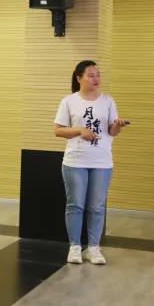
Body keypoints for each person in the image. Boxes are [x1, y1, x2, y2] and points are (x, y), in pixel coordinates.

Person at [53, 60, 129, 266]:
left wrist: (118, 125)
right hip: (75, 161)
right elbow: (58, 130)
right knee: (75, 204)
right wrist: (80, 130)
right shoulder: (69, 101)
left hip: (102, 161)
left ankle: (94, 248)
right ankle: (75, 247)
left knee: (96, 206)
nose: (96, 79)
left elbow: (112, 131)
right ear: (79, 78)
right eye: (91, 75)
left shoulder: (108, 101)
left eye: (98, 75)